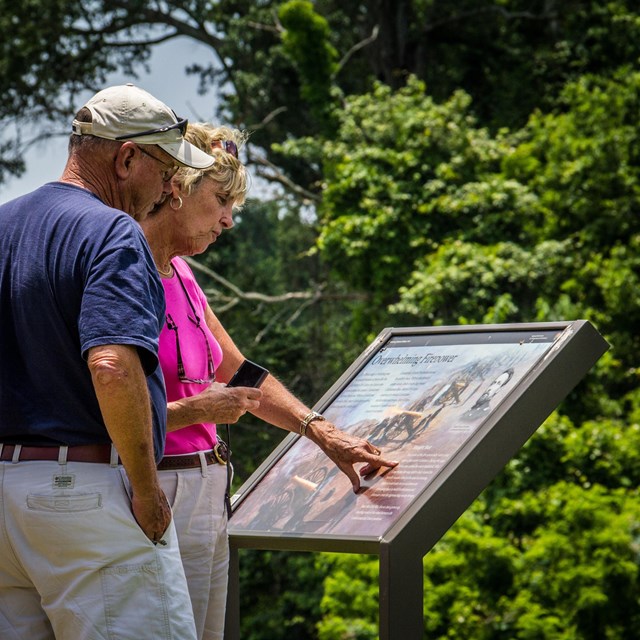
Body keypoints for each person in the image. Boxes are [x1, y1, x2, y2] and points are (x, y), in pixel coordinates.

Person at [140, 123, 397, 639]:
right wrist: (194, 411)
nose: (229, 221)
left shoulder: (185, 276)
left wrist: (321, 432)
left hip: (210, 488)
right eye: (220, 201)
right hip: (158, 488)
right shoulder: (124, 269)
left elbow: (240, 372)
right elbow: (98, 402)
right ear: (177, 190)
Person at [0, 84, 215, 640]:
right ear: (126, 158)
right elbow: (113, 366)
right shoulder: (112, 230)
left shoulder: (4, 224)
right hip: (86, 496)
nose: (171, 187)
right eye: (166, 168)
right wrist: (147, 492)